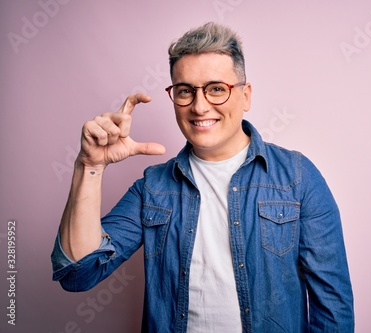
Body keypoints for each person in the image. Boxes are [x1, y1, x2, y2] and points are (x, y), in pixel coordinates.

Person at [51, 22, 354, 333]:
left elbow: (332, 306)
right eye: (185, 91)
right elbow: (78, 274)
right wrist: (89, 166)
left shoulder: (298, 178)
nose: (199, 106)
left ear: (245, 96)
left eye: (216, 89)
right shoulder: (153, 188)